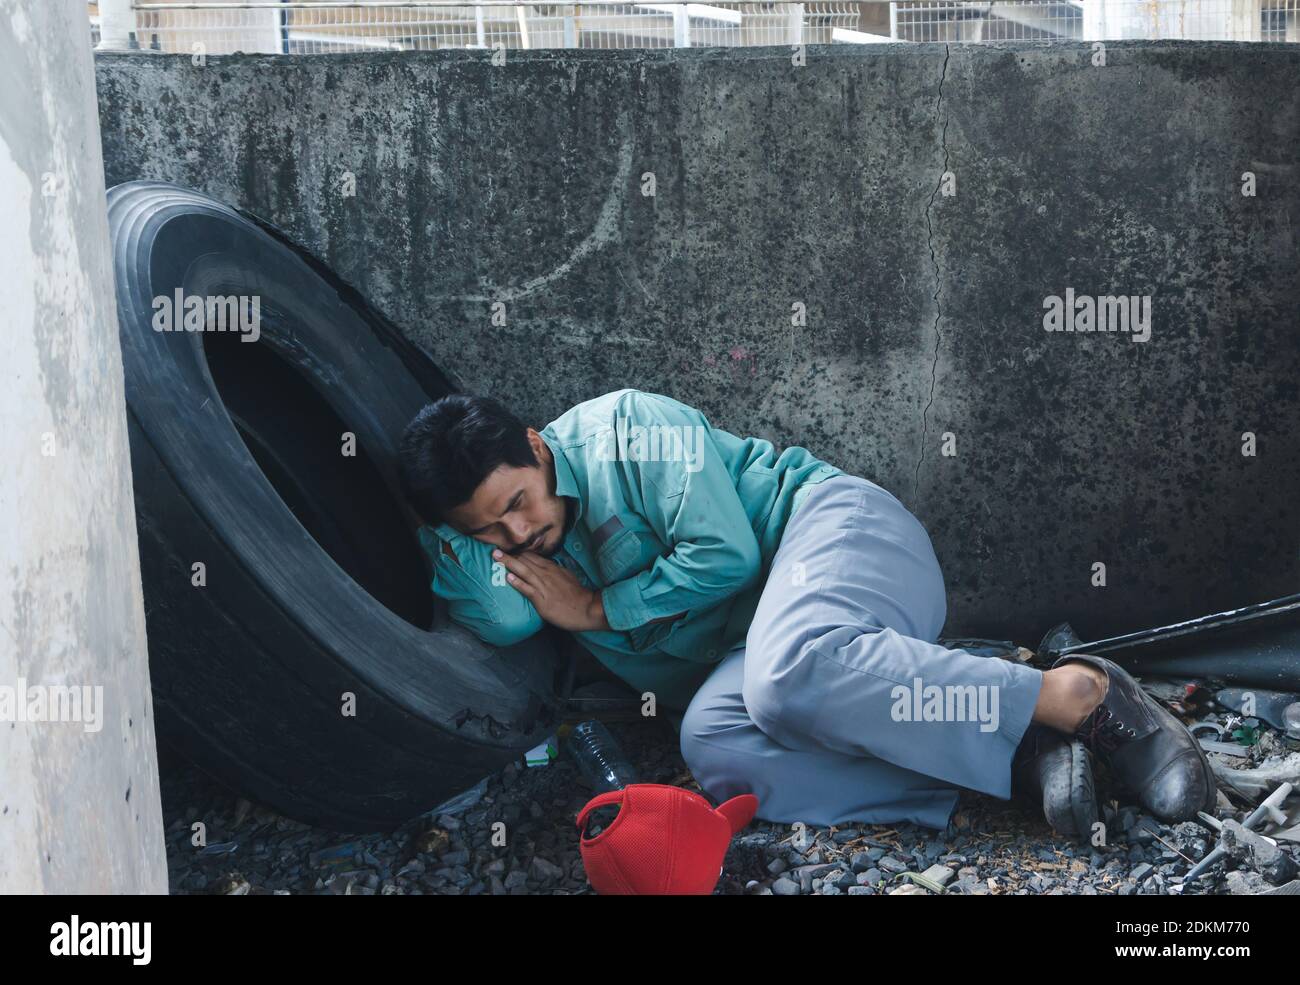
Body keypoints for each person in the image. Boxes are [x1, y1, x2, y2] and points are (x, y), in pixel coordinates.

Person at [398, 388, 1215, 836]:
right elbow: (501, 621)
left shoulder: (630, 431)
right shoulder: (512, 548)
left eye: (517, 501)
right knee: (715, 745)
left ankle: (1081, 694)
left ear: (538, 448)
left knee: (783, 673)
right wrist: (448, 536)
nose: (519, 533)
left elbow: (728, 556)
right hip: (770, 653)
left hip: (839, 537)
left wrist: (597, 606)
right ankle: (1018, 757)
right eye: (486, 531)